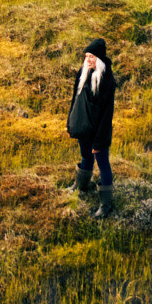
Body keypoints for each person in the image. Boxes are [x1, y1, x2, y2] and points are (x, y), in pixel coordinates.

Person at [66, 37, 116, 214]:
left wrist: (99, 141)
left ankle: (105, 205)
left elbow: (106, 114)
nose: (88, 59)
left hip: (98, 132)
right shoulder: (82, 73)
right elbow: (75, 100)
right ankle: (80, 187)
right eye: (86, 56)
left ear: (99, 59)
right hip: (83, 127)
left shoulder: (107, 80)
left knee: (103, 165)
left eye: (92, 56)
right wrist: (70, 124)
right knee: (85, 156)